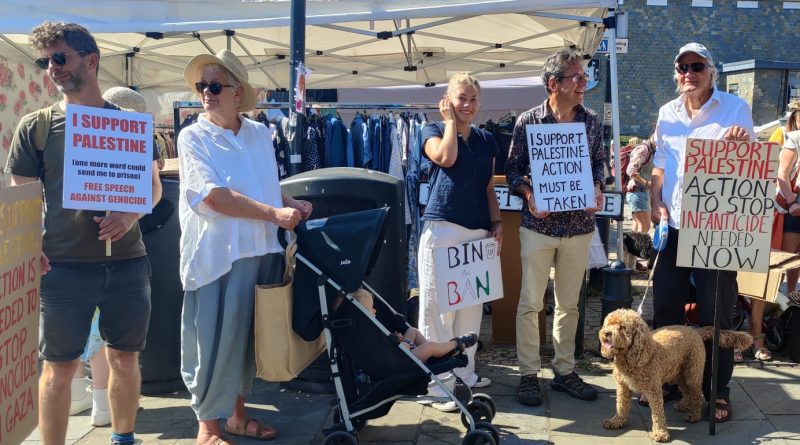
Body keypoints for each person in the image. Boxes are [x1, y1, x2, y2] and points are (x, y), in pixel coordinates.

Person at [5, 22, 162, 445]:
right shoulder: (36, 126)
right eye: (45, 61)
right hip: (63, 267)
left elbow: (153, 184)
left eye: (61, 58)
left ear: (91, 61)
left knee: (125, 359)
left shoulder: (131, 126)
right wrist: (28, 248)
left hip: (128, 263)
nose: (52, 69)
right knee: (59, 367)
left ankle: (124, 438)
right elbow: (21, 199)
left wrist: (129, 215)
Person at [178, 49, 313, 445]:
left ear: (238, 92)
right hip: (216, 257)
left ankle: (236, 417)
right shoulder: (192, 136)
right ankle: (208, 429)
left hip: (259, 249)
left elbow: (262, 188)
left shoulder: (259, 133)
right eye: (202, 86)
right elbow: (214, 198)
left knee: (246, 341)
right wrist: (274, 214)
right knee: (214, 341)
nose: (207, 93)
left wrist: (289, 204)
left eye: (215, 86)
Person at [649, 42, 755, 423]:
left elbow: (752, 170)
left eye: (696, 67)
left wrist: (740, 149)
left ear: (712, 71)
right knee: (666, 308)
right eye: (682, 67)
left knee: (717, 313)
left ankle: (718, 389)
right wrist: (655, 200)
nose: (688, 74)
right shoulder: (667, 113)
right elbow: (659, 168)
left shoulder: (734, 109)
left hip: (715, 229)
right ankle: (669, 380)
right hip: (675, 225)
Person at [505, 48, 605, 407]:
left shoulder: (591, 121)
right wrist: (529, 193)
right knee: (531, 302)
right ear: (553, 83)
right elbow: (513, 170)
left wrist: (597, 186)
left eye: (584, 77)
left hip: (578, 227)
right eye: (576, 77)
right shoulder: (528, 121)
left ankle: (565, 370)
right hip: (538, 226)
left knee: (569, 304)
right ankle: (528, 374)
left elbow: (599, 165)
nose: (584, 83)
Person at [417, 72, 502, 408]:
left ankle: (464, 373)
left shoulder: (486, 139)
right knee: (438, 310)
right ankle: (438, 385)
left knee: (470, 307)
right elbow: (445, 158)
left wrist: (496, 222)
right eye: (460, 98)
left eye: (472, 99)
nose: (467, 105)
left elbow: (488, 187)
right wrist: (450, 123)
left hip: (477, 230)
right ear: (447, 101)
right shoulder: (432, 130)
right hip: (443, 228)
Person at [348, 288, 478, 362]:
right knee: (429, 346)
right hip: (398, 361)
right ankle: (455, 344)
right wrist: (399, 342)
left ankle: (436, 355)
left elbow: (384, 342)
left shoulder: (368, 328)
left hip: (400, 351)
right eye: (371, 309)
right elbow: (380, 349)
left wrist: (395, 338)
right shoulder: (368, 332)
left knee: (413, 331)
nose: (375, 310)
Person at [624, 135, 657, 272]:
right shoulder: (645, 149)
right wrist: (647, 183)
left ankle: (629, 264)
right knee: (643, 228)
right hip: (639, 191)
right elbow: (631, 170)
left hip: (639, 192)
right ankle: (629, 263)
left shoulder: (650, 149)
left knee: (637, 230)